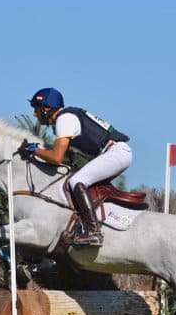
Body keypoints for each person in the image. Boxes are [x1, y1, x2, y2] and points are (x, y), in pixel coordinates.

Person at [20, 87, 132, 247]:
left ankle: (93, 232)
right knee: (78, 180)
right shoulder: (66, 118)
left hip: (116, 153)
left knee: (77, 181)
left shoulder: (64, 120)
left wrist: (34, 150)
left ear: (46, 108)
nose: (34, 114)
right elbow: (66, 157)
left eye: (36, 109)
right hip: (114, 153)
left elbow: (57, 157)